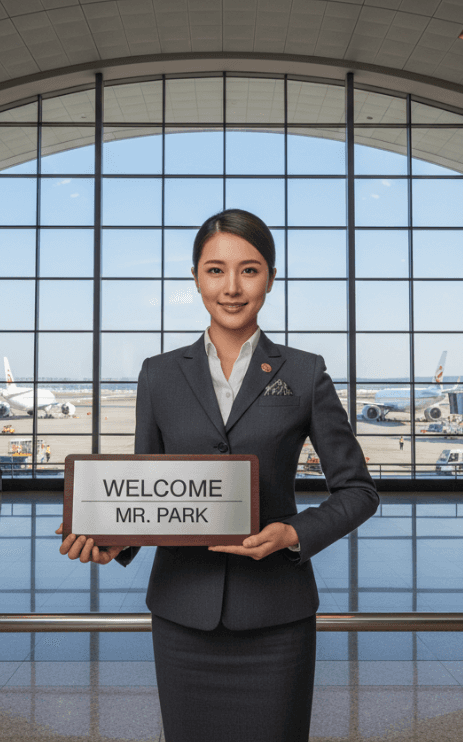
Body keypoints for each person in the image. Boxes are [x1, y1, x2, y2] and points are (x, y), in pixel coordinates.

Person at [58, 209, 379, 742]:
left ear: (271, 278)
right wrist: (112, 543)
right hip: (184, 617)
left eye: (249, 270)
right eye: (215, 270)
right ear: (195, 278)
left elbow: (359, 491)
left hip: (277, 616)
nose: (232, 288)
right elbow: (147, 486)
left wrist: (295, 533)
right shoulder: (158, 374)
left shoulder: (304, 372)